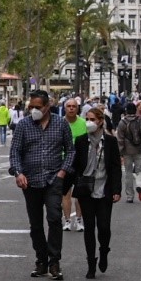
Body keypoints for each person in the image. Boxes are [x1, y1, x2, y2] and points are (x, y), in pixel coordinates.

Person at [10, 90, 76, 280]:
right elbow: (15, 152)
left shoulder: (60, 123)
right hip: (30, 181)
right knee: (35, 224)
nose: (34, 110)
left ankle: (54, 261)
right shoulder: (23, 125)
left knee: (55, 218)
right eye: (31, 107)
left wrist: (63, 172)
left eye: (37, 107)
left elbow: (70, 151)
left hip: (53, 179)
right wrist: (18, 172)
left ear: (47, 106)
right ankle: (41, 260)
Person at [66, 106, 122, 278]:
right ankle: (91, 262)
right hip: (86, 189)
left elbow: (115, 167)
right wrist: (67, 184)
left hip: (104, 189)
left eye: (92, 119)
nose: (89, 122)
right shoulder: (82, 141)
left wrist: (116, 189)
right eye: (87, 119)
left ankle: (104, 250)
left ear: (100, 122)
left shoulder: (110, 142)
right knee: (89, 227)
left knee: (104, 226)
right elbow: (75, 166)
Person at [60, 98, 87, 231]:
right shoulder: (60, 123)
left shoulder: (83, 123)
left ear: (77, 109)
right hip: (64, 161)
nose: (71, 108)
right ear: (64, 108)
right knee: (66, 193)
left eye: (74, 106)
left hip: (80, 161)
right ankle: (67, 220)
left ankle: (79, 219)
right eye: (68, 106)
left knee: (80, 192)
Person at [116, 102, 141, 203]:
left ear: (126, 111)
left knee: (128, 173)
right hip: (139, 149)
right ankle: (139, 185)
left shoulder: (122, 122)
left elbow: (120, 139)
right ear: (135, 110)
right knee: (140, 170)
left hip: (127, 150)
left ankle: (129, 196)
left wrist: (120, 153)